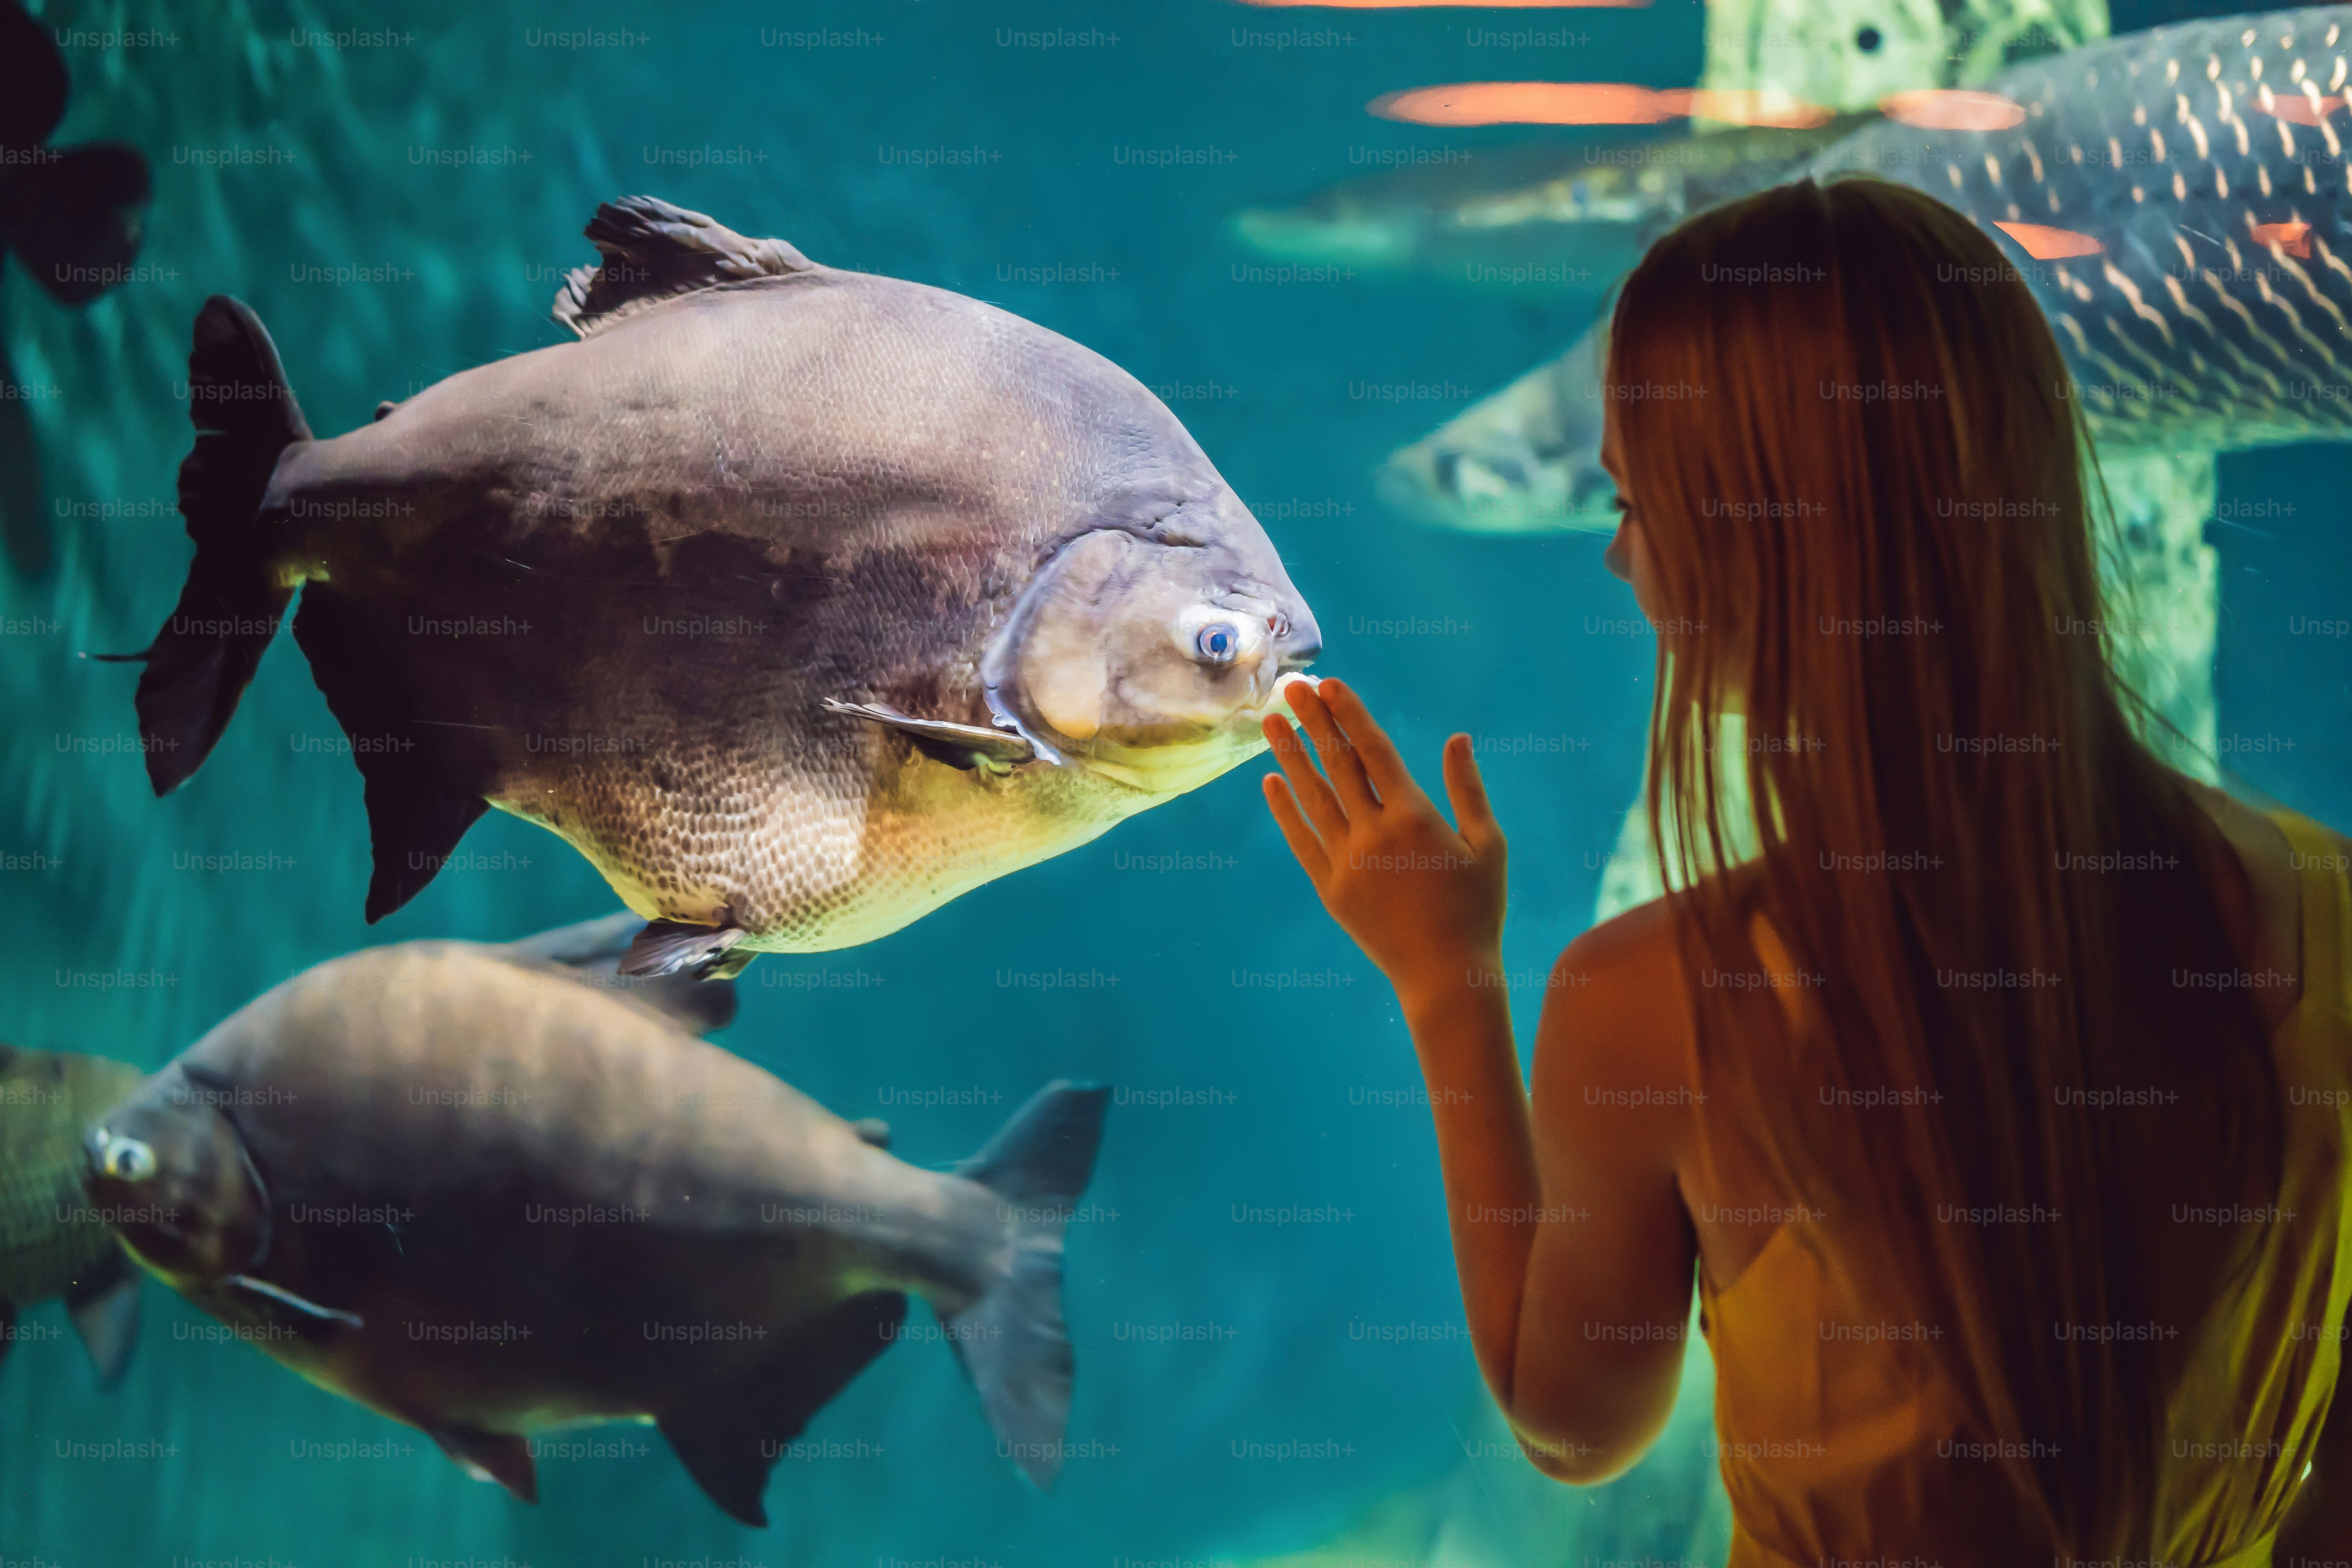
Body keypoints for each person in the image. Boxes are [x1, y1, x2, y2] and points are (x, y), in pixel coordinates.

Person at [1260, 176, 2352, 1565]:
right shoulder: (2325, 905)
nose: (1616, 557)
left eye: (1635, 499)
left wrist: (1446, 980)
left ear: (1762, 546)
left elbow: (1576, 1420)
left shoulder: (1657, 999)